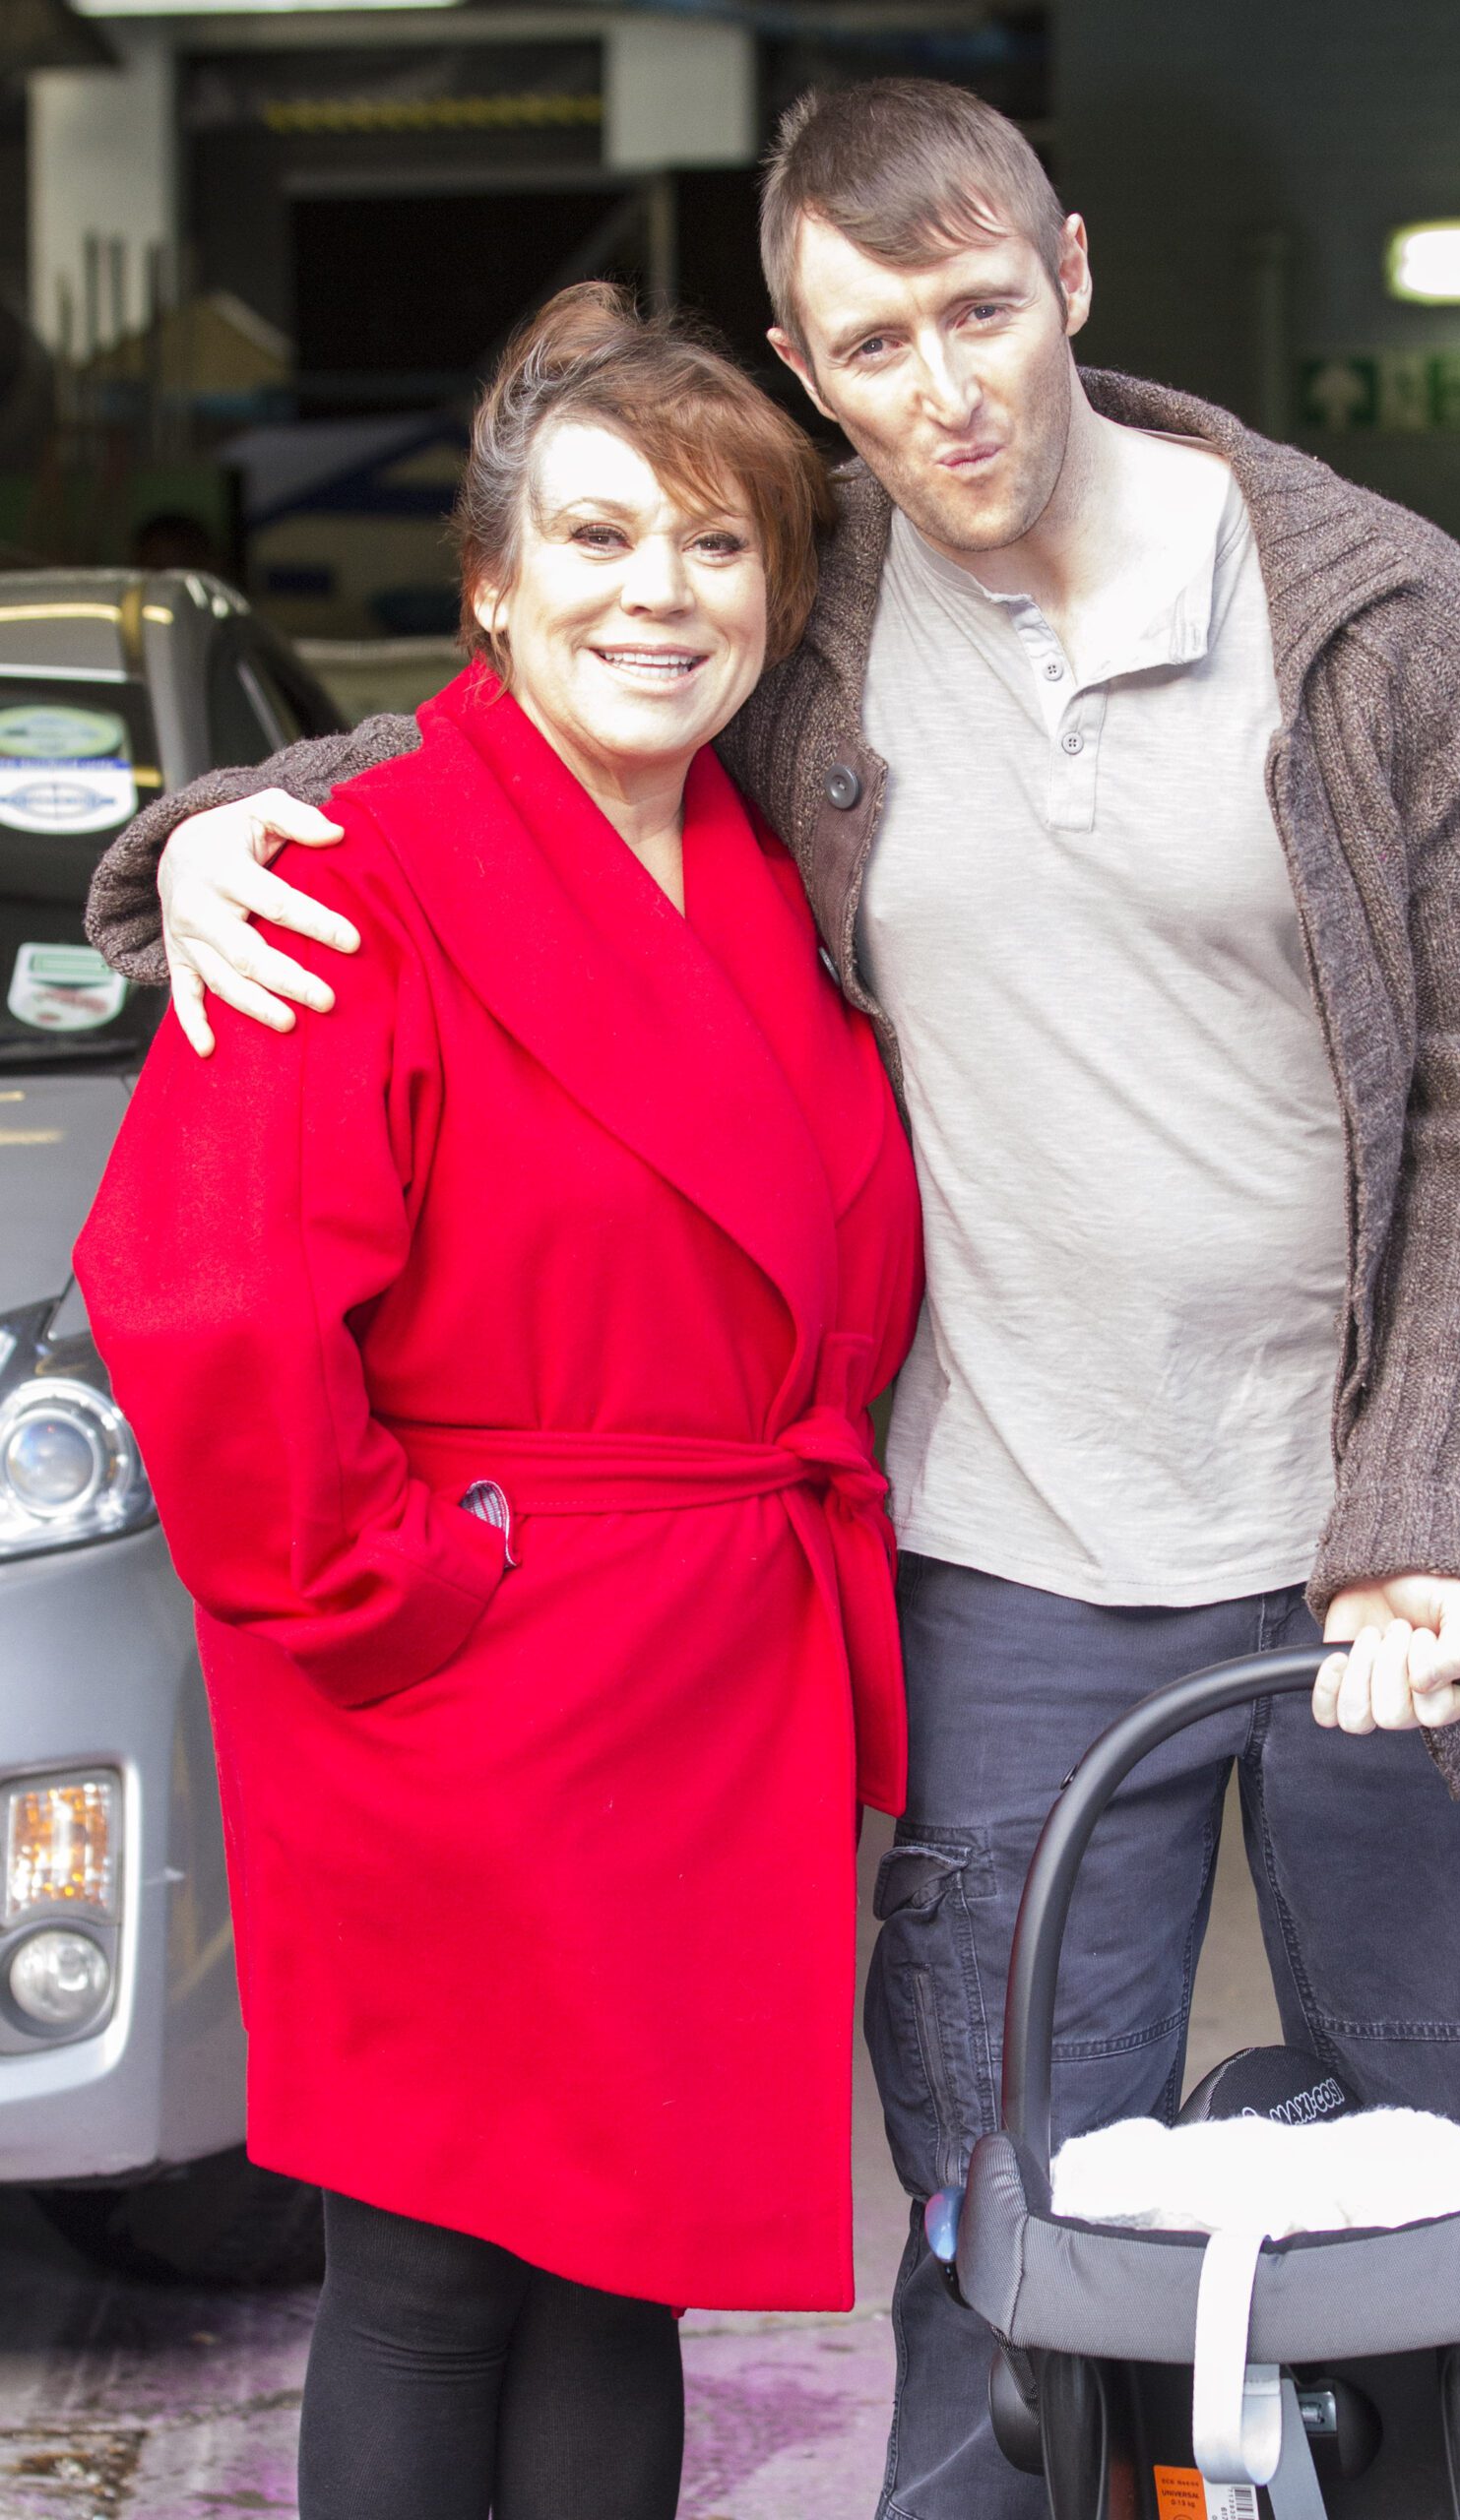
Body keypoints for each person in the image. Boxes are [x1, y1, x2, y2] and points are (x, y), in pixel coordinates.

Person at [85, 83, 1460, 2520]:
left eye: (975, 308)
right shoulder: (828, 610)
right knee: (1006, 2225)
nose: (943, 385)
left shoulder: (1370, 610)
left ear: (1067, 274)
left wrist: (1425, 1506)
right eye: (869, 342)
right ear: (817, 379)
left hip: (1389, 1546)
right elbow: (508, 724)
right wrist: (197, 836)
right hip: (1000, 1541)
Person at [75, 285, 922, 2520]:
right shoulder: (350, 877)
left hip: (708, 1676)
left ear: (785, 599)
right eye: (597, 536)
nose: (659, 591)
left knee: (619, 2278)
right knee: (439, 2275)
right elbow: (206, 1301)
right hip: (446, 1680)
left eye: (721, 544)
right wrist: (407, 1595)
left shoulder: (783, 882)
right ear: (490, 584)